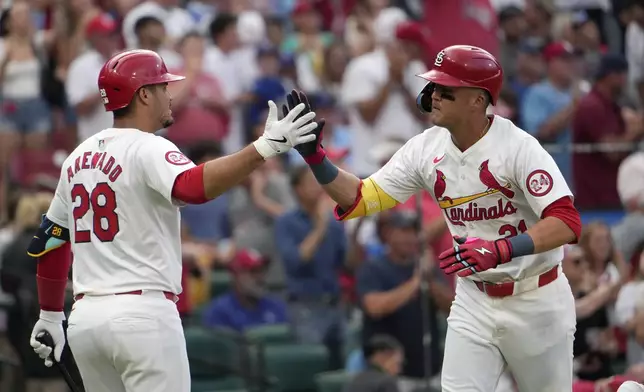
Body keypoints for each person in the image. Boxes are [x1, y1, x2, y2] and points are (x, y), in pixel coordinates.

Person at [284, 44, 582, 392]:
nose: (434, 96)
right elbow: (361, 198)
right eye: (434, 88)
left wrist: (502, 249)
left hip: (537, 295)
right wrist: (317, 159)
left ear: (477, 99)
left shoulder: (519, 147)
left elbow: (566, 221)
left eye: (447, 90)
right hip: (475, 297)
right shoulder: (425, 148)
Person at [25, 49, 318, 392]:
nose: (170, 94)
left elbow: (51, 237)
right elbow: (193, 188)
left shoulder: (77, 156)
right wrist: (265, 147)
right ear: (144, 94)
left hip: (86, 319)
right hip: (142, 316)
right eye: (162, 86)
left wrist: (49, 314)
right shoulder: (149, 147)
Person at [201, 248, 288, 332]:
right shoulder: (220, 312)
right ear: (236, 276)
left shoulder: (276, 307)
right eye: (253, 271)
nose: (260, 277)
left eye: (262, 271)